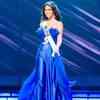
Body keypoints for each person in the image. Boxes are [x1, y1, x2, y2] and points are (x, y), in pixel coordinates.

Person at [18, 1, 72, 100]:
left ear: (53, 10)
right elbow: (45, 36)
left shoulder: (59, 24)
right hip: (42, 52)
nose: (47, 12)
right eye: (45, 10)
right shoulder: (43, 23)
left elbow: (60, 38)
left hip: (53, 53)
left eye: (49, 9)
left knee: (54, 78)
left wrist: (56, 48)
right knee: (40, 78)